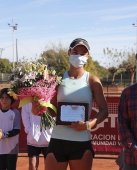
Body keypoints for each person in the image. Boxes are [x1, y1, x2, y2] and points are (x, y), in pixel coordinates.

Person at [45, 38, 108, 170]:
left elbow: (104, 111)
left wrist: (88, 124)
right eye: (75, 51)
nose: (78, 55)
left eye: (83, 53)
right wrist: (41, 106)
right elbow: (52, 111)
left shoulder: (92, 81)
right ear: (69, 52)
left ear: (88, 56)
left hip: (81, 142)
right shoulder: (58, 80)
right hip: (58, 140)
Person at [21, 103, 53, 170]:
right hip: (33, 137)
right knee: (32, 166)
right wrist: (29, 129)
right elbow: (25, 114)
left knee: (49, 166)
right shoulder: (28, 97)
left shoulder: (51, 96)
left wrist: (52, 130)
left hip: (48, 138)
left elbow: (54, 112)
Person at [0, 88, 20, 170]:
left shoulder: (15, 112)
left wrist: (3, 135)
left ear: (11, 99)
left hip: (12, 149)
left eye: (7, 98)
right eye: (2, 98)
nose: (4, 100)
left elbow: (17, 130)